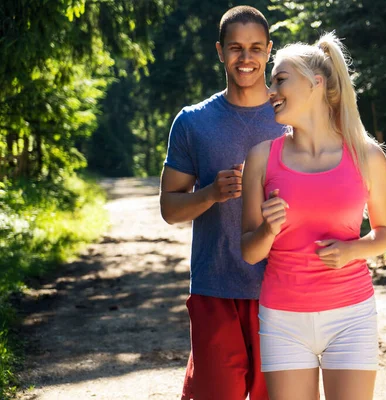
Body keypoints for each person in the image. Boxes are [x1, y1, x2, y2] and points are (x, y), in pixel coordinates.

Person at [240, 32, 386, 400]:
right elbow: (249, 252)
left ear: (316, 82)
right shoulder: (261, 158)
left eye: (280, 79)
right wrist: (268, 228)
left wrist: (351, 251)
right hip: (282, 319)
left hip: (351, 316)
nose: (270, 89)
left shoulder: (368, 156)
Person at [159, 5, 285, 400]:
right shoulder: (193, 122)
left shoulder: (293, 115)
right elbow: (169, 208)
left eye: (254, 48)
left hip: (282, 291)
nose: (245, 58)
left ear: (269, 50)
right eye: (235, 48)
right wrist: (211, 192)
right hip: (215, 288)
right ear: (219, 51)